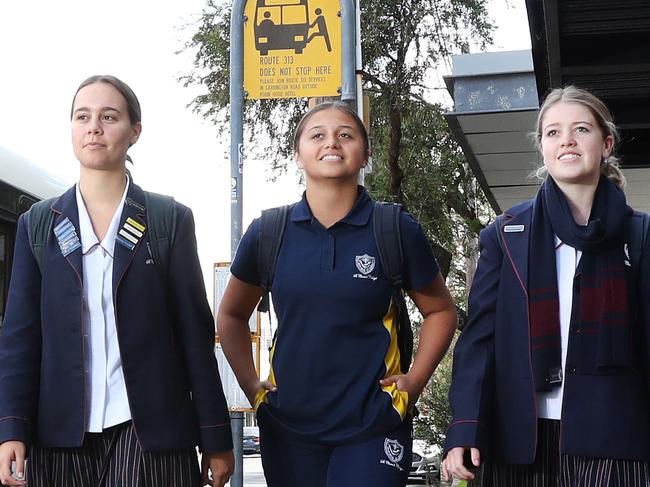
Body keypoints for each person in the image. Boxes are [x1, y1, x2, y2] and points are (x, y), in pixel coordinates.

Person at [0, 75, 234, 487]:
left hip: (151, 433)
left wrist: (216, 435)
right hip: (59, 436)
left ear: (134, 132)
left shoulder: (168, 220)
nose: (94, 127)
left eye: (109, 117)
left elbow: (195, 335)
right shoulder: (38, 224)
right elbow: (21, 337)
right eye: (82, 117)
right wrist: (11, 427)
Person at [217, 101, 457, 487]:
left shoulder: (393, 228)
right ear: (298, 154)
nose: (332, 142)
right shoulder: (268, 232)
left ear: (365, 154)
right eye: (318, 135)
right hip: (289, 427)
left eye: (346, 135)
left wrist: (415, 382)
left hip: (373, 424)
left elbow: (441, 311)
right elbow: (230, 316)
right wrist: (250, 384)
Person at [442, 86, 650, 486]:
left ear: (606, 144)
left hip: (615, 438)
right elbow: (480, 341)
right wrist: (464, 427)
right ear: (542, 147)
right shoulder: (506, 235)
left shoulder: (639, 234)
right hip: (521, 441)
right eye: (553, 132)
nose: (566, 140)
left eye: (581, 129)